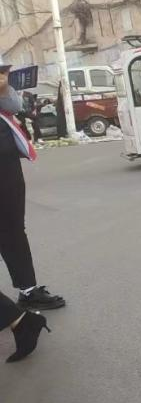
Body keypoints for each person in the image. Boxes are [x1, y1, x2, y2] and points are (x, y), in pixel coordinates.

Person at [0, 65, 66, 313]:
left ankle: (28, 290)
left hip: (6, 167)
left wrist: (4, 88)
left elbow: (15, 106)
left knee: (13, 230)